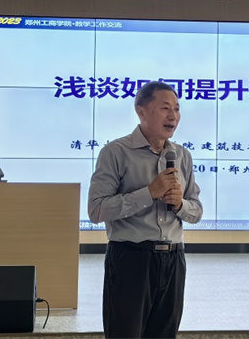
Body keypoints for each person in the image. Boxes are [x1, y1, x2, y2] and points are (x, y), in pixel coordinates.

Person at [88, 81, 203, 339]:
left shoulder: (182, 156)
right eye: (165, 108)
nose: (173, 116)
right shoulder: (116, 152)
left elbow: (196, 210)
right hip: (131, 259)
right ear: (141, 111)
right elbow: (96, 210)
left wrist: (180, 204)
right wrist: (148, 193)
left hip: (173, 260)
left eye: (177, 109)